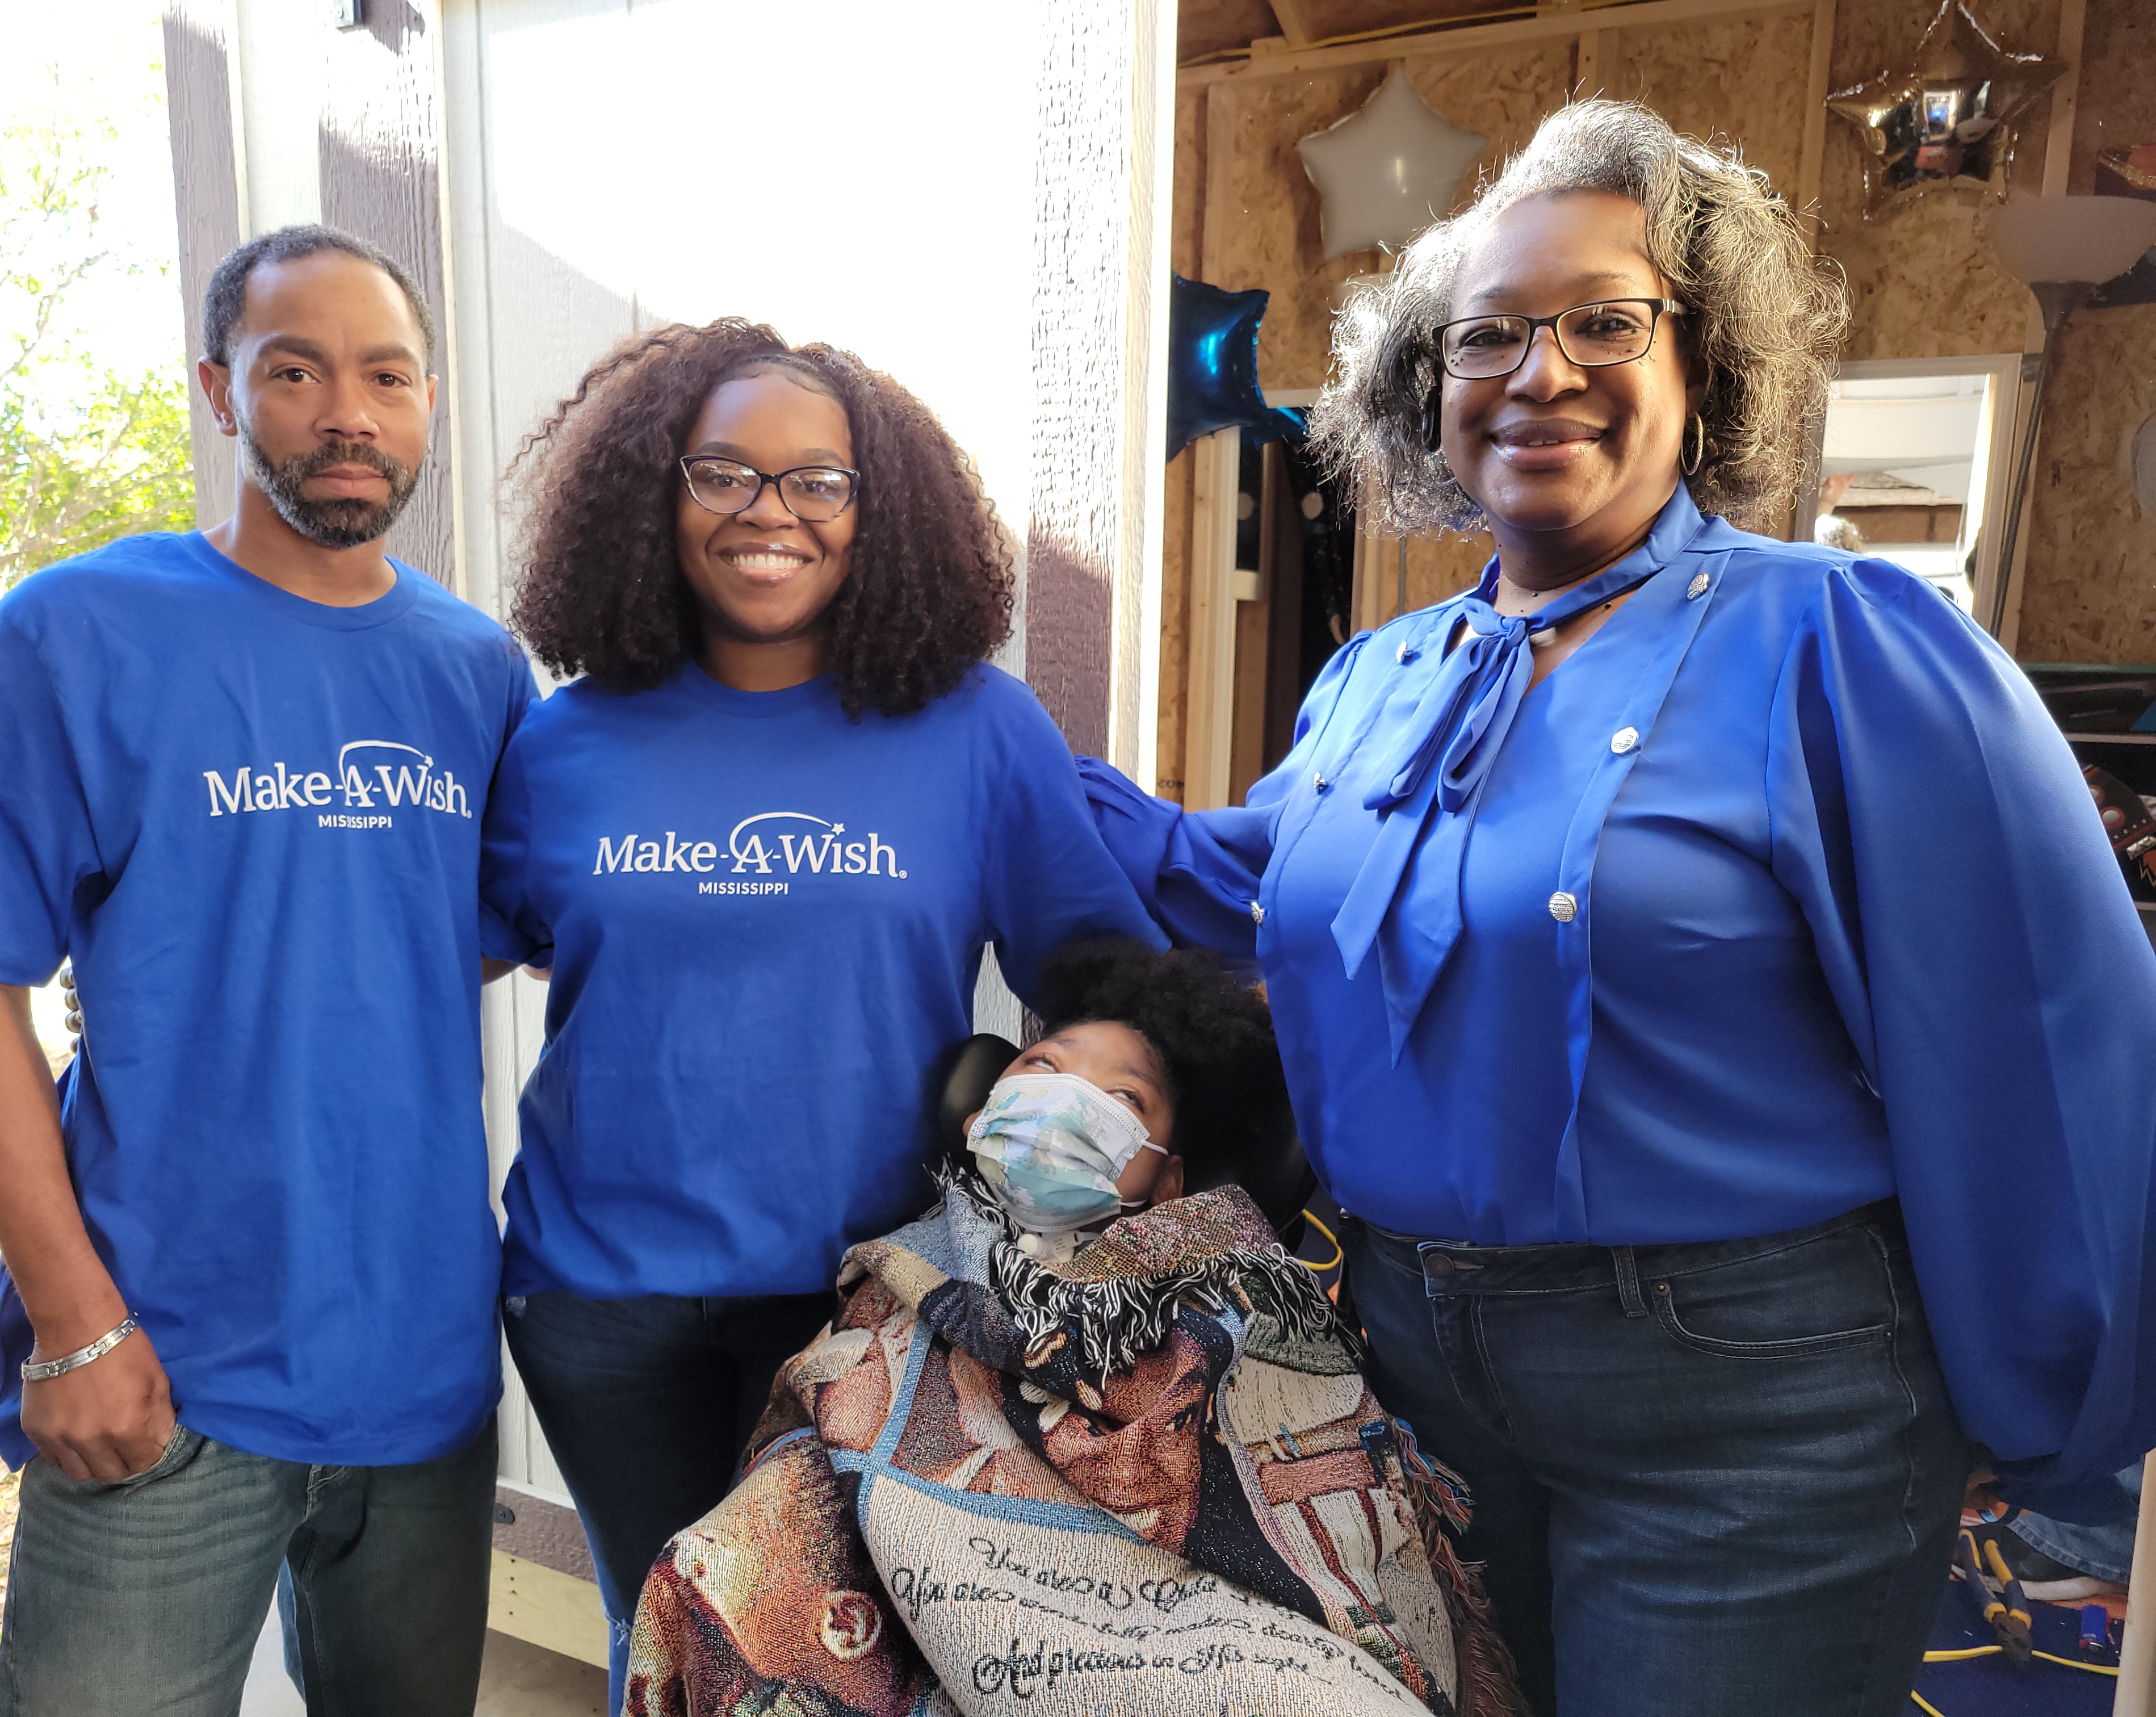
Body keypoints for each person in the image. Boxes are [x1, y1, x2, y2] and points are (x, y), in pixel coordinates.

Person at [1077, 100, 2156, 1717]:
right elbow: (1239, 883)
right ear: (1426, 385)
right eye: (1486, 334)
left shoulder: (1843, 641)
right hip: (1409, 1376)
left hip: (1754, 1408)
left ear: (1704, 360)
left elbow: (2047, 1044)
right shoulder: (1378, 677)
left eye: (1604, 321)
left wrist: (2057, 1406)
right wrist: (957, 722)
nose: (1540, 371)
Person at [0, 225, 534, 1715]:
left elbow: (456, 934)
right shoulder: (80, 631)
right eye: (296, 372)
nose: (348, 413)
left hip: (422, 1378)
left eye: (387, 377)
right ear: (223, 392)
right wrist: (74, 1322)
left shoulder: (478, 671)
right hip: (161, 1368)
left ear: (426, 403)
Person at [480, 319, 1167, 1708]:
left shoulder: (979, 730)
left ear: (878, 510)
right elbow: (442, 951)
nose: (769, 511)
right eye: (723, 472)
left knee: (847, 1661)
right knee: (662, 1637)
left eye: (818, 481)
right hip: (599, 1299)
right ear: (655, 496)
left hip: (867, 1293)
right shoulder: (563, 741)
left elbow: (1103, 987)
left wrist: (1111, 1182)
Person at [625, 939, 1518, 1717]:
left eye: (1122, 1097)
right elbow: (835, 1426)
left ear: (1167, 1179)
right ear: (979, 1114)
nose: (1068, 1100)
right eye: (1044, 1067)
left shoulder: (1240, 1286)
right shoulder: (908, 1258)